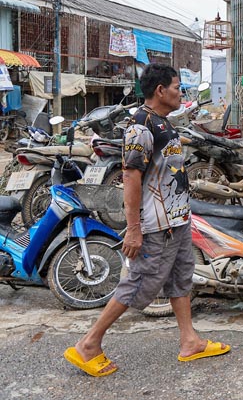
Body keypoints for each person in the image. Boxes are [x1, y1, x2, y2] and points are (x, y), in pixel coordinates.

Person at [64, 63, 230, 377]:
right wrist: (134, 230)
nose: (181, 92)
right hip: (157, 227)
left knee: (180, 281)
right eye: (178, 87)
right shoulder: (141, 127)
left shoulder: (163, 122)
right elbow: (130, 177)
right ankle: (89, 344)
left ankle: (189, 341)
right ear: (160, 91)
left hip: (178, 222)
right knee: (137, 283)